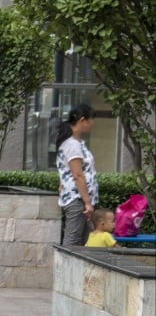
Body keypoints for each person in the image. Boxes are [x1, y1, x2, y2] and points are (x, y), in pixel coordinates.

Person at [55, 104, 97, 246]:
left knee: (81, 241)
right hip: (77, 200)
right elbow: (78, 174)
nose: (93, 123)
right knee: (72, 242)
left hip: (80, 199)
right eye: (92, 119)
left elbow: (65, 170)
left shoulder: (77, 143)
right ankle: (62, 268)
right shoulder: (72, 145)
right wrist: (87, 202)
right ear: (83, 120)